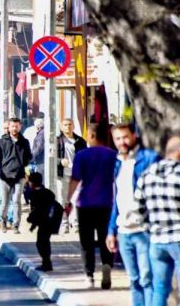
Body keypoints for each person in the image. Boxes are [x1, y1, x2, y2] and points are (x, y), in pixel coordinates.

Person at [135, 136, 180, 306]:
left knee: (159, 289)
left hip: (157, 241)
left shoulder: (147, 175)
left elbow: (138, 211)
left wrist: (150, 230)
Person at [106, 123, 160, 306]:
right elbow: (116, 200)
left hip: (144, 229)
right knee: (134, 279)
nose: (122, 142)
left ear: (134, 136)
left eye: (125, 137)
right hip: (124, 230)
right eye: (118, 138)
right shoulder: (116, 163)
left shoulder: (149, 158)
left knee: (147, 277)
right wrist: (111, 230)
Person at [65, 122, 117, 289]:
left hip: (85, 203)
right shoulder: (113, 155)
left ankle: (89, 275)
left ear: (92, 136)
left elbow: (75, 180)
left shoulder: (82, 155)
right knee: (105, 239)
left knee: (86, 242)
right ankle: (107, 265)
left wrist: (68, 201)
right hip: (106, 203)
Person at [0, 117, 32, 234]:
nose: (14, 128)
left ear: (20, 127)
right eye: (12, 126)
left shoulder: (24, 142)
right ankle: (3, 221)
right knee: (4, 202)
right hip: (5, 176)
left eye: (16, 126)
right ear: (8, 128)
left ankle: (16, 225)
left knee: (16, 200)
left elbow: (28, 158)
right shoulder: (2, 141)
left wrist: (26, 171)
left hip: (19, 175)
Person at [57, 118, 87, 232]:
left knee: (76, 199)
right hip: (62, 174)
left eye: (70, 124)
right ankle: (64, 224)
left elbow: (86, 157)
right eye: (65, 125)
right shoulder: (57, 141)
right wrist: (60, 161)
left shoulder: (80, 141)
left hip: (77, 174)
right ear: (61, 127)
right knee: (63, 199)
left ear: (73, 126)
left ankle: (75, 224)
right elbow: (51, 157)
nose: (68, 127)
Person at [27, 172, 56, 272]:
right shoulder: (48, 192)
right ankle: (46, 263)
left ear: (32, 183)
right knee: (44, 242)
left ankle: (47, 263)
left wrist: (33, 224)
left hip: (44, 222)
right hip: (50, 221)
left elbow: (37, 211)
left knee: (41, 243)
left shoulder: (34, 194)